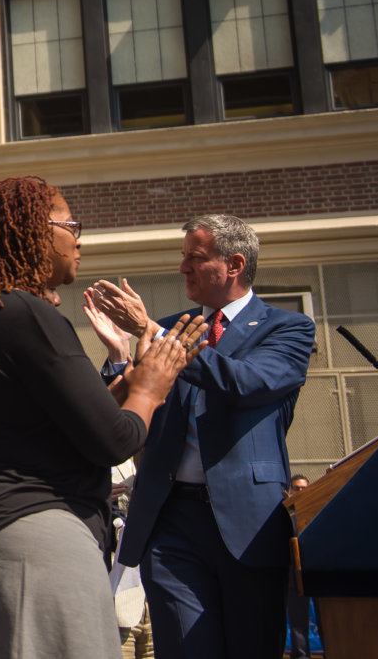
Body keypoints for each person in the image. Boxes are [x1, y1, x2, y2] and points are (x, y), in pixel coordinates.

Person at [0, 175, 204, 659]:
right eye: (71, 225)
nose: (79, 240)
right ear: (34, 231)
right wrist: (152, 385)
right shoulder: (29, 312)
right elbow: (116, 441)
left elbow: (25, 428)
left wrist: (116, 390)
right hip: (33, 545)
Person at [88, 213, 315, 659]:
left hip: (249, 526)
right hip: (172, 525)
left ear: (233, 264)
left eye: (195, 257)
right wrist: (119, 358)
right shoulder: (167, 328)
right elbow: (133, 411)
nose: (183, 268)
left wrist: (152, 333)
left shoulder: (288, 329)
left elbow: (245, 383)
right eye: (183, 257)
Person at [286, 474, 313, 658]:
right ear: (290, 491)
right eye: (297, 488)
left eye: (304, 488)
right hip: (294, 579)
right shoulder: (284, 519)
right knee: (298, 624)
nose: (301, 492)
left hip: (319, 574)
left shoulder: (318, 512)